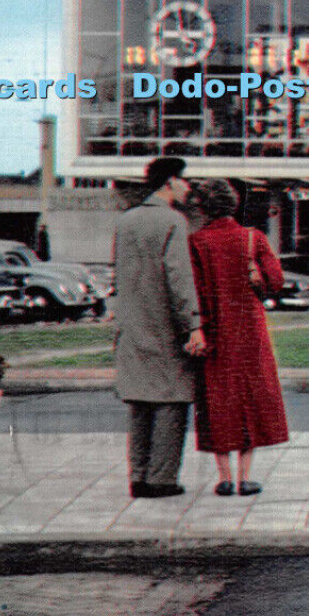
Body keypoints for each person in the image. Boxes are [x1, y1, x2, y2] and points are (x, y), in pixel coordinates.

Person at [185, 179, 290, 497]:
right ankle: (246, 478)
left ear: (202, 208)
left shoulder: (197, 242)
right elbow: (276, 281)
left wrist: (197, 328)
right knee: (252, 399)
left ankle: (224, 478)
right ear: (233, 204)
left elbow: (195, 291)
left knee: (219, 401)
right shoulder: (252, 238)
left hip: (216, 330)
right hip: (250, 331)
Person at [113, 156, 206, 499]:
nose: (188, 187)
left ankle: (137, 477)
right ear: (169, 182)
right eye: (184, 181)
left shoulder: (127, 221)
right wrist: (193, 324)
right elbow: (178, 278)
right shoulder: (173, 221)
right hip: (164, 326)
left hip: (132, 326)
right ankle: (162, 479)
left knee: (140, 404)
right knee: (172, 401)